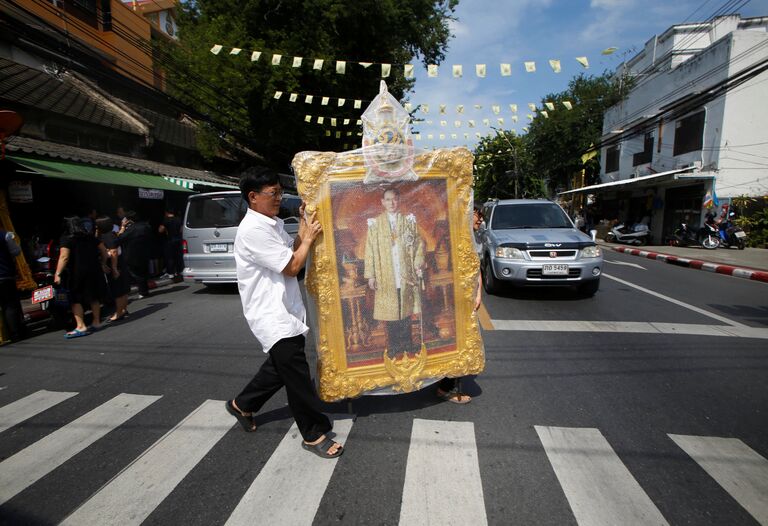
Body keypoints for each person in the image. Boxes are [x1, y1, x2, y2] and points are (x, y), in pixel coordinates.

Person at [225, 166, 343, 459]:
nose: (279, 198)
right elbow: (291, 267)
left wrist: (304, 226)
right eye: (273, 193)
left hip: (285, 309)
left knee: (280, 367)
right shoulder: (253, 230)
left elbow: (291, 250)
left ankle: (243, 404)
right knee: (297, 374)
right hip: (270, 313)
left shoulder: (271, 223)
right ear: (253, 197)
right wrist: (309, 238)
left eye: (280, 192)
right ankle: (314, 433)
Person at [364, 187, 426, 358]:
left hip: (404, 273)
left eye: (395, 199)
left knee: (405, 309)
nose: (392, 203)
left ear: (399, 201)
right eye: (388, 199)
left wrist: (417, 263)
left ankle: (407, 343)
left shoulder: (408, 221)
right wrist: (371, 275)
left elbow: (418, 244)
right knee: (391, 312)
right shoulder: (375, 224)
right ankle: (394, 345)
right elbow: (369, 250)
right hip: (386, 274)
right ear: (382, 202)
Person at [435, 206, 483, 404]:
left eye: (480, 217)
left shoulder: (472, 239)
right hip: (456, 299)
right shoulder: (455, 240)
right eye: (476, 216)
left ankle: (447, 384)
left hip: (467, 297)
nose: (479, 220)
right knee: (457, 342)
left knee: (464, 341)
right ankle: (446, 387)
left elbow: (476, 268)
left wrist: (478, 294)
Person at [54, 217, 109, 338]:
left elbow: (64, 257)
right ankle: (96, 322)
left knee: (75, 299)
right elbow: (104, 251)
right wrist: (103, 264)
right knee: (93, 296)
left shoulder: (66, 238)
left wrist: (57, 273)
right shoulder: (89, 236)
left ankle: (80, 326)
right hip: (94, 270)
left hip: (77, 273)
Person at [96, 216, 130, 322]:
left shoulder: (106, 237)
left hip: (115, 264)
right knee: (122, 289)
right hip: (120, 263)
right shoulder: (112, 234)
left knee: (118, 290)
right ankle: (123, 309)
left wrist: (114, 268)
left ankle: (119, 313)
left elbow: (114, 251)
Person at [117, 210, 152, 299]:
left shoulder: (131, 229)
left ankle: (143, 291)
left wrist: (123, 227)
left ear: (129, 220)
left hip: (132, 254)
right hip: (145, 252)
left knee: (137, 273)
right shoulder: (146, 226)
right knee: (143, 272)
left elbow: (119, 238)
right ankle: (145, 290)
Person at [0, 230, 25, 343]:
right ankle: (15, 334)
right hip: (5, 275)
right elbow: (16, 251)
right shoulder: (4, 235)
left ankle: (4, 335)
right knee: (10, 305)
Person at [158, 209, 183, 279]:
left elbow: (160, 230)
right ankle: (179, 271)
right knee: (178, 256)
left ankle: (171, 272)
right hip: (178, 239)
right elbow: (181, 230)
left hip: (170, 240)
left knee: (170, 257)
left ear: (166, 213)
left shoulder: (165, 220)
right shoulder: (179, 219)